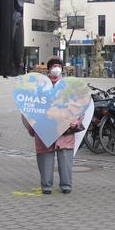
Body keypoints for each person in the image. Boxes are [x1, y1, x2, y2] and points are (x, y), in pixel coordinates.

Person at [26, 57, 80, 195]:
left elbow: (78, 106)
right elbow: (32, 107)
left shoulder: (69, 86)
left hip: (65, 129)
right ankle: (46, 185)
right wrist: (33, 126)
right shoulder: (40, 87)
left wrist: (76, 120)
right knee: (45, 157)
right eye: (54, 66)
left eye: (58, 66)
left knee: (65, 157)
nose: (56, 69)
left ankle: (66, 185)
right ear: (48, 69)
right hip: (45, 128)